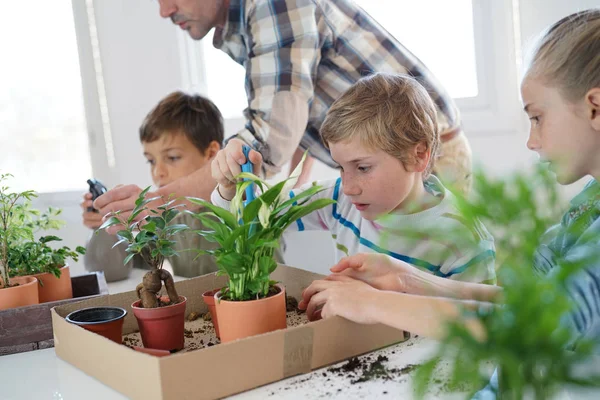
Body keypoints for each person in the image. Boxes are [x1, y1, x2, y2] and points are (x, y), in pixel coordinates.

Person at [298, 9, 600, 354]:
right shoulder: (591, 201)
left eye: (537, 117)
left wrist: (373, 304)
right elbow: (525, 298)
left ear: (595, 107)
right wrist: (407, 279)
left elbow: (539, 326)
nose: (531, 141)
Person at [94, 0, 473, 227]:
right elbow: (291, 114)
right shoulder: (253, 18)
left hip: (421, 164)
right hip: (394, 165)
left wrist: (158, 203)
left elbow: (266, 140)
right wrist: (284, 186)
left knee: (437, 299)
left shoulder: (274, 4)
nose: (164, 10)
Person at [211, 73, 496, 282]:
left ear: (418, 154)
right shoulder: (339, 200)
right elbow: (256, 216)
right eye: (340, 167)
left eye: (362, 168)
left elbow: (479, 333)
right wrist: (228, 186)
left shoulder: (464, 238)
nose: (348, 187)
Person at [82, 91, 223, 281]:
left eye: (172, 157)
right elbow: (116, 270)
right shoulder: (161, 217)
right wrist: (107, 226)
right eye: (151, 161)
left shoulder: (241, 203)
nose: (158, 172)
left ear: (211, 153)